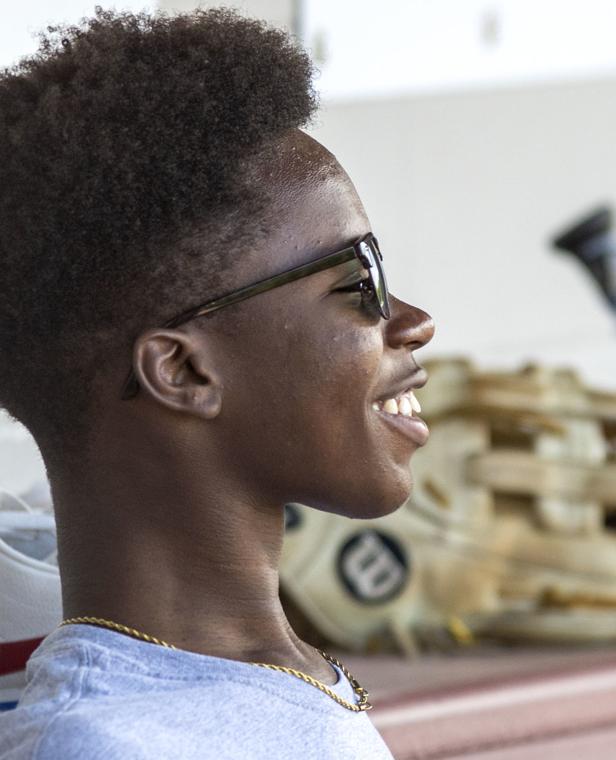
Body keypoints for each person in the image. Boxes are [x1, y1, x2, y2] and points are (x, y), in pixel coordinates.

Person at [0, 8, 434, 759]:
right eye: (359, 281)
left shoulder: (272, 674)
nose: (413, 320)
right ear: (184, 370)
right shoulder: (104, 743)